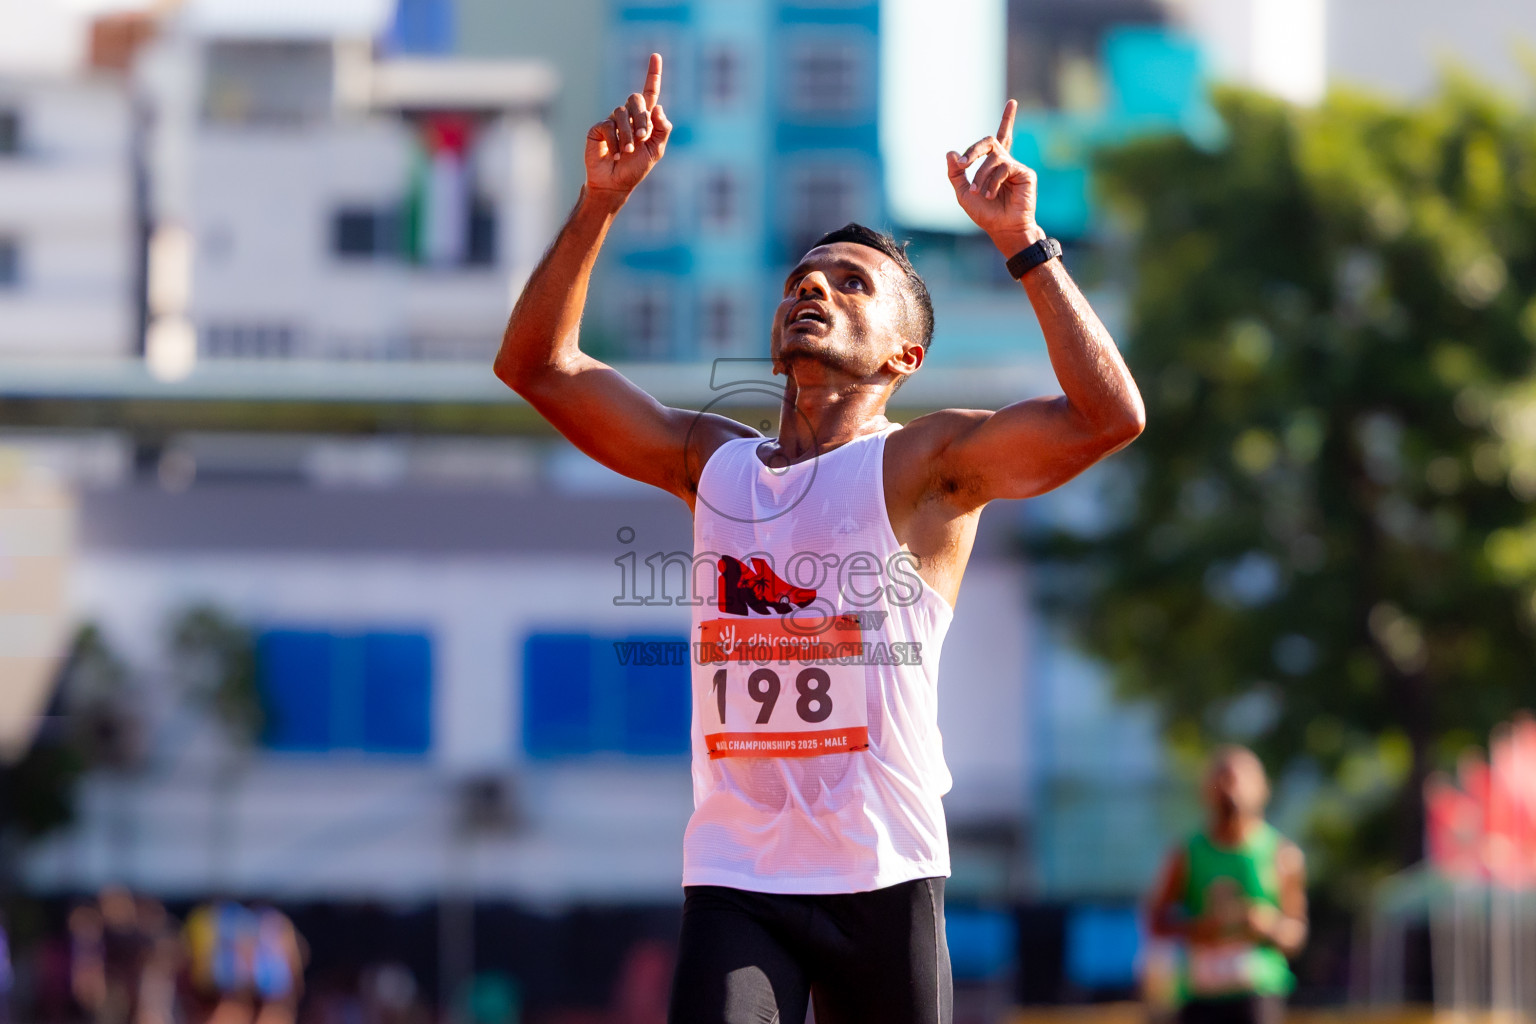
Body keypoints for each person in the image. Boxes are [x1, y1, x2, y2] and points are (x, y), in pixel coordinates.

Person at [494, 53, 1144, 1023]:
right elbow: (538, 365)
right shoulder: (710, 460)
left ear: (904, 354)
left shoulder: (926, 466)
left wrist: (1025, 242)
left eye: (850, 283)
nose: (816, 290)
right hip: (736, 870)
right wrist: (597, 203)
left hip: (885, 874)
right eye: (803, 279)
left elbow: (1107, 417)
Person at [1145, 746, 1309, 1024]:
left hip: (1258, 993)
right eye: (1221, 780)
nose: (1230, 791)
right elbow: (1156, 921)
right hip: (1201, 992)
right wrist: (1198, 929)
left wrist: (1267, 925)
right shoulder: (1187, 854)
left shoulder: (1282, 855)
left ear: (1262, 789)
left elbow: (1296, 933)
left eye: (1239, 781)